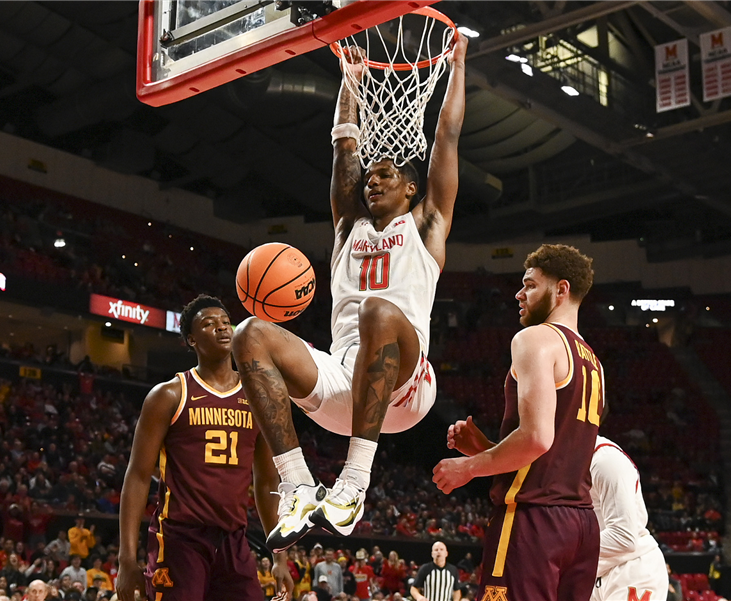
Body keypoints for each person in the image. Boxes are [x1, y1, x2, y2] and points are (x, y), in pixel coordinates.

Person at [231, 35, 469, 552]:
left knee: (377, 310)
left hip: (406, 388)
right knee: (249, 333)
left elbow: (447, 135)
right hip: (344, 383)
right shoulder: (348, 228)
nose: (372, 182)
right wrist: (351, 82)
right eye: (371, 176)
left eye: (386, 175)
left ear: (411, 188)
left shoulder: (427, 224)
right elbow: (344, 145)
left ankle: (354, 483)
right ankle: (296, 484)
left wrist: (458, 65)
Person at [434, 244, 602, 601]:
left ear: (561, 290)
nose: (518, 293)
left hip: (534, 521)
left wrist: (469, 467)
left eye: (530, 284)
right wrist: (484, 448)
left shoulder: (535, 339)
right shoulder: (592, 360)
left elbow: (537, 439)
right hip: (582, 525)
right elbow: (550, 454)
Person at [116, 295, 292, 601]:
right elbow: (138, 476)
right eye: (209, 325)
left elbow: (267, 482)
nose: (222, 329)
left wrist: (279, 556)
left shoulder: (257, 397)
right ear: (191, 340)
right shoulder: (168, 395)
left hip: (234, 541)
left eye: (226, 323)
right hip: (180, 538)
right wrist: (126, 559)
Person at [589, 436, 668, 601]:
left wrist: (563, 549)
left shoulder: (606, 460)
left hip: (630, 569)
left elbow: (623, 537)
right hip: (593, 572)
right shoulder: (566, 459)